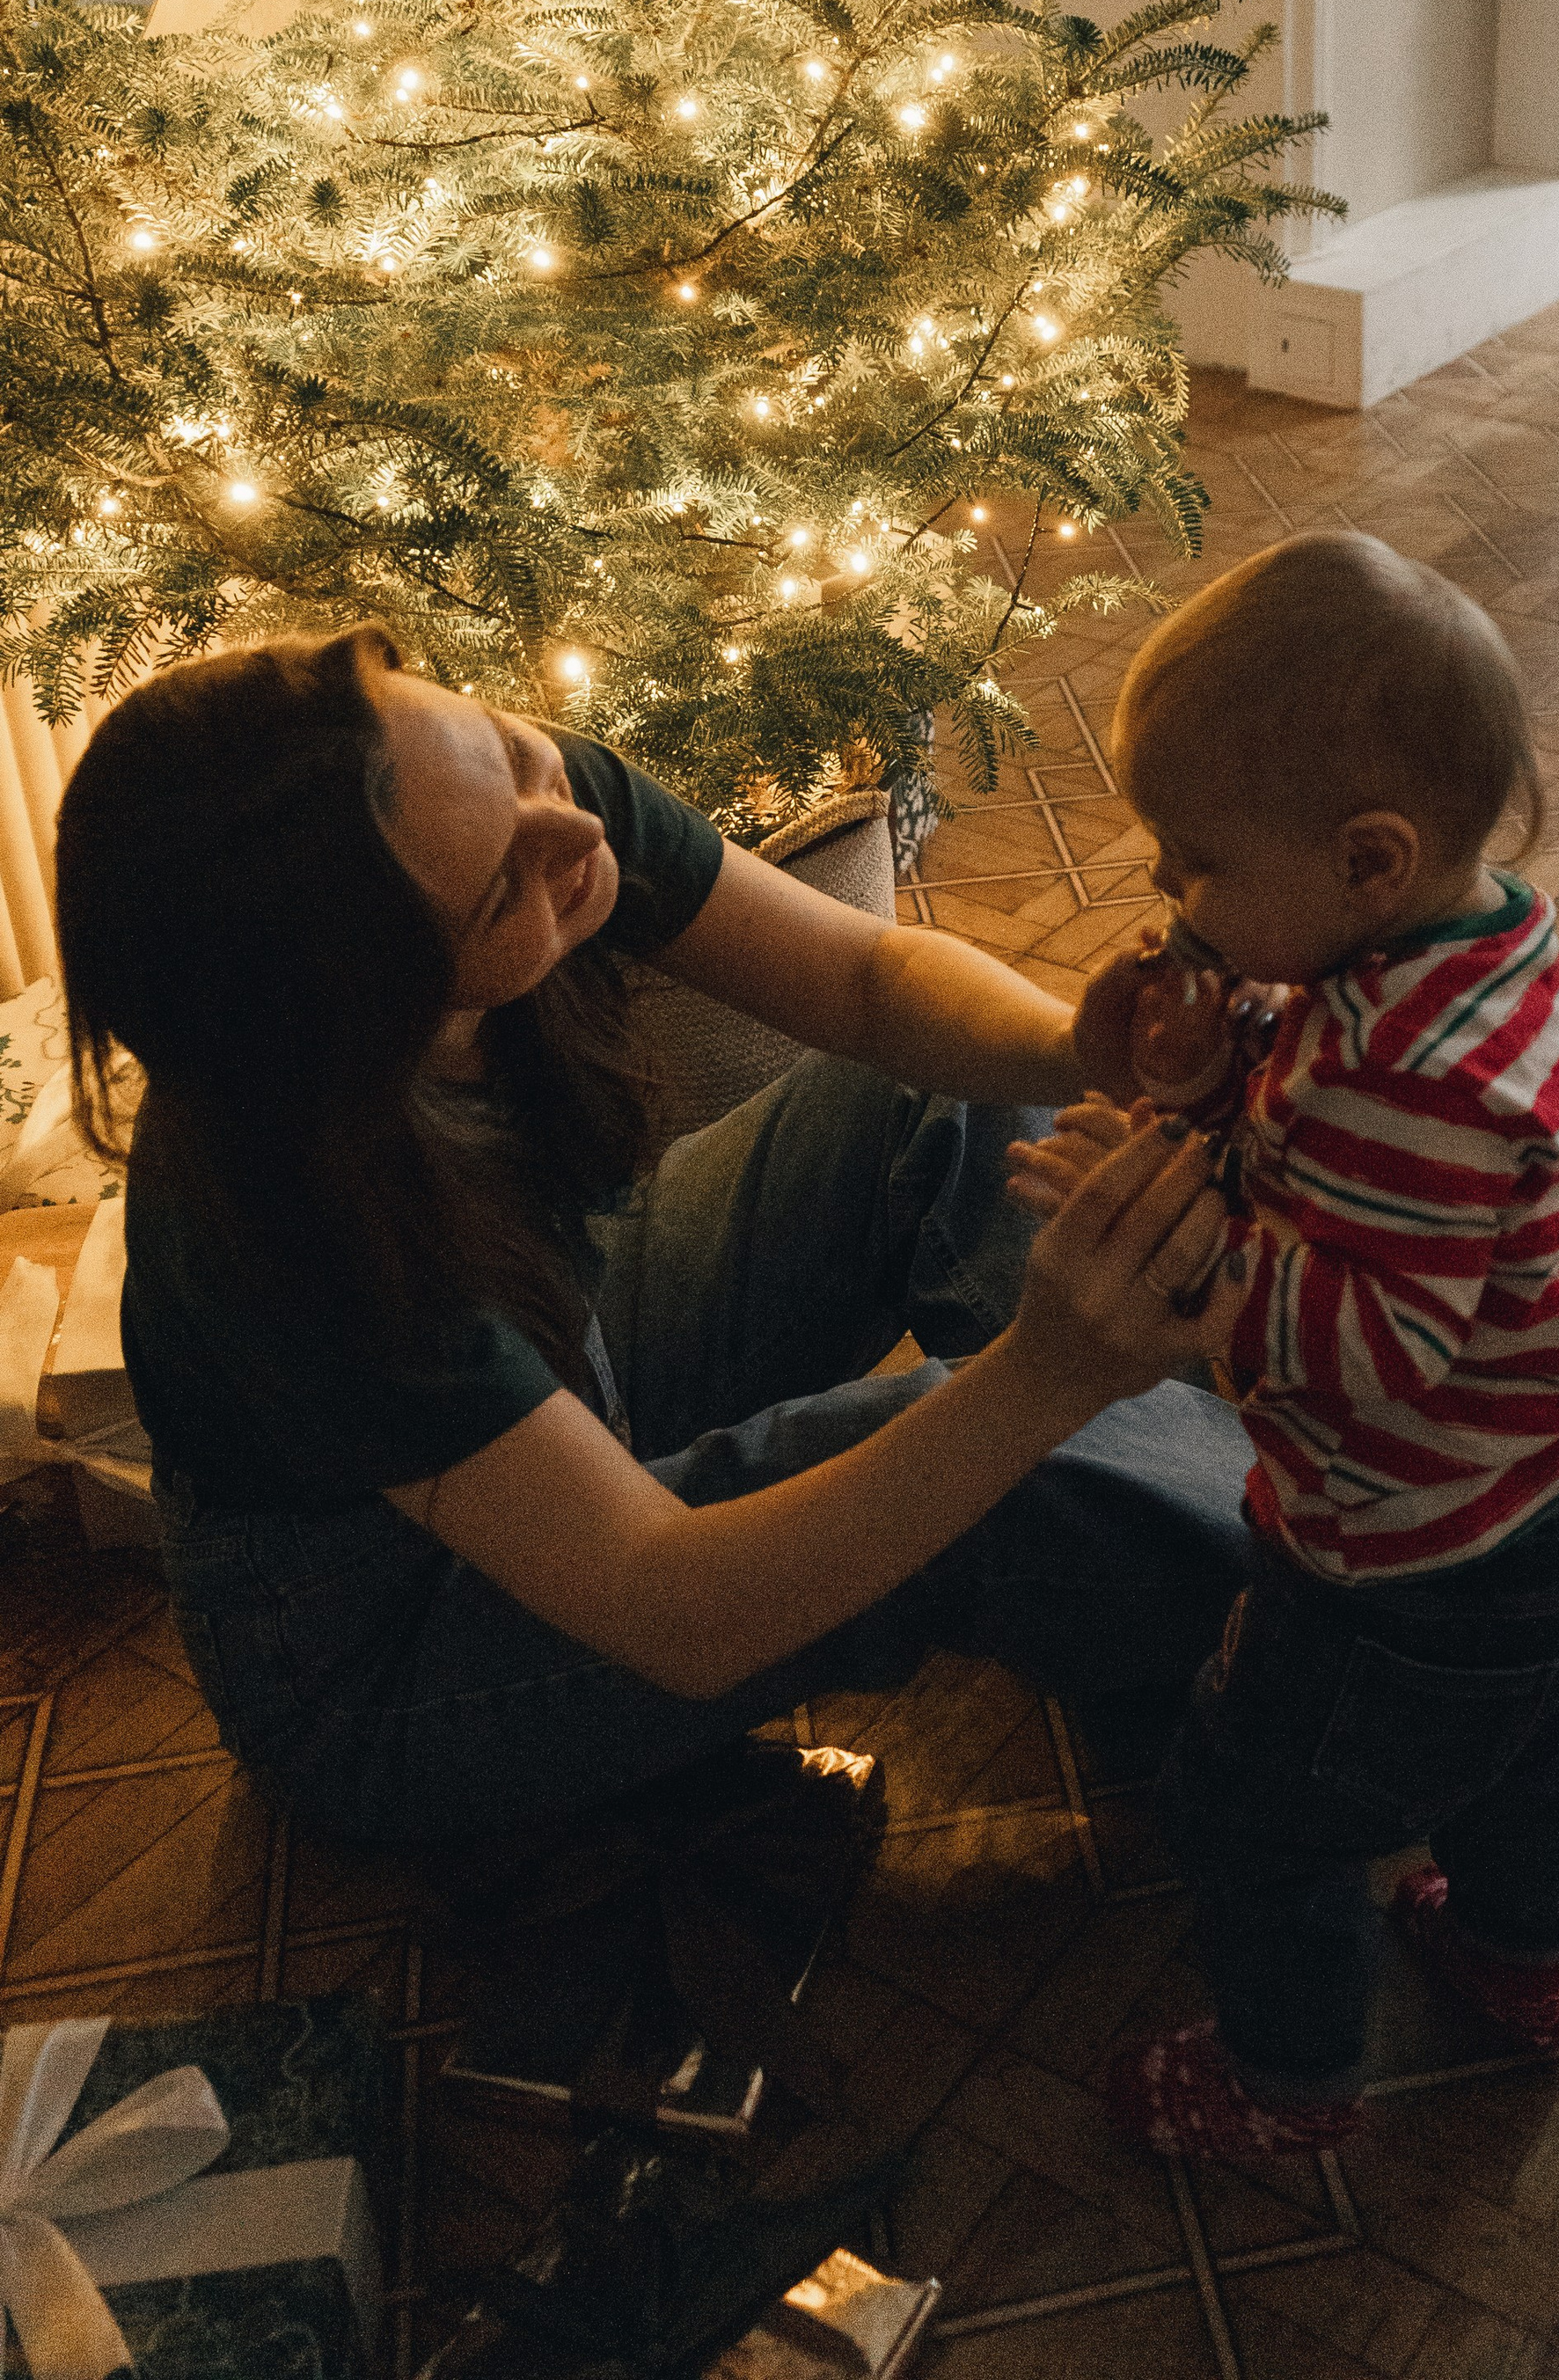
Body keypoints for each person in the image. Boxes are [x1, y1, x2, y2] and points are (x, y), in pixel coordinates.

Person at [52, 624, 1258, 1846]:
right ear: (372, 1010)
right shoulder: (286, 1232)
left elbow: (867, 984)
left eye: (509, 746)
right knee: (1004, 1463)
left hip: (567, 1381)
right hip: (387, 1660)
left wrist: (1079, 1049)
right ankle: (1346, 1629)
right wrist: (1044, 1378)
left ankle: (1185, 1562)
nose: (573, 836)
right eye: (497, 897)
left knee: (959, 1101)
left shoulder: (483, 797)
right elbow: (677, 1611)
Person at [1010, 536, 1559, 2161]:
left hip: (1417, 1562)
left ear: (1368, 858)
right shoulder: (1468, 953)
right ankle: (1515, 1968)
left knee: (1253, 1808)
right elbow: (1337, 1151)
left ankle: (1286, 2085)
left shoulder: (1406, 1081)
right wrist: (1225, 1078)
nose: (1168, 892)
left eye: (1194, 858)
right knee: (1520, 1753)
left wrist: (1179, 1245)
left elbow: (1363, 1359)